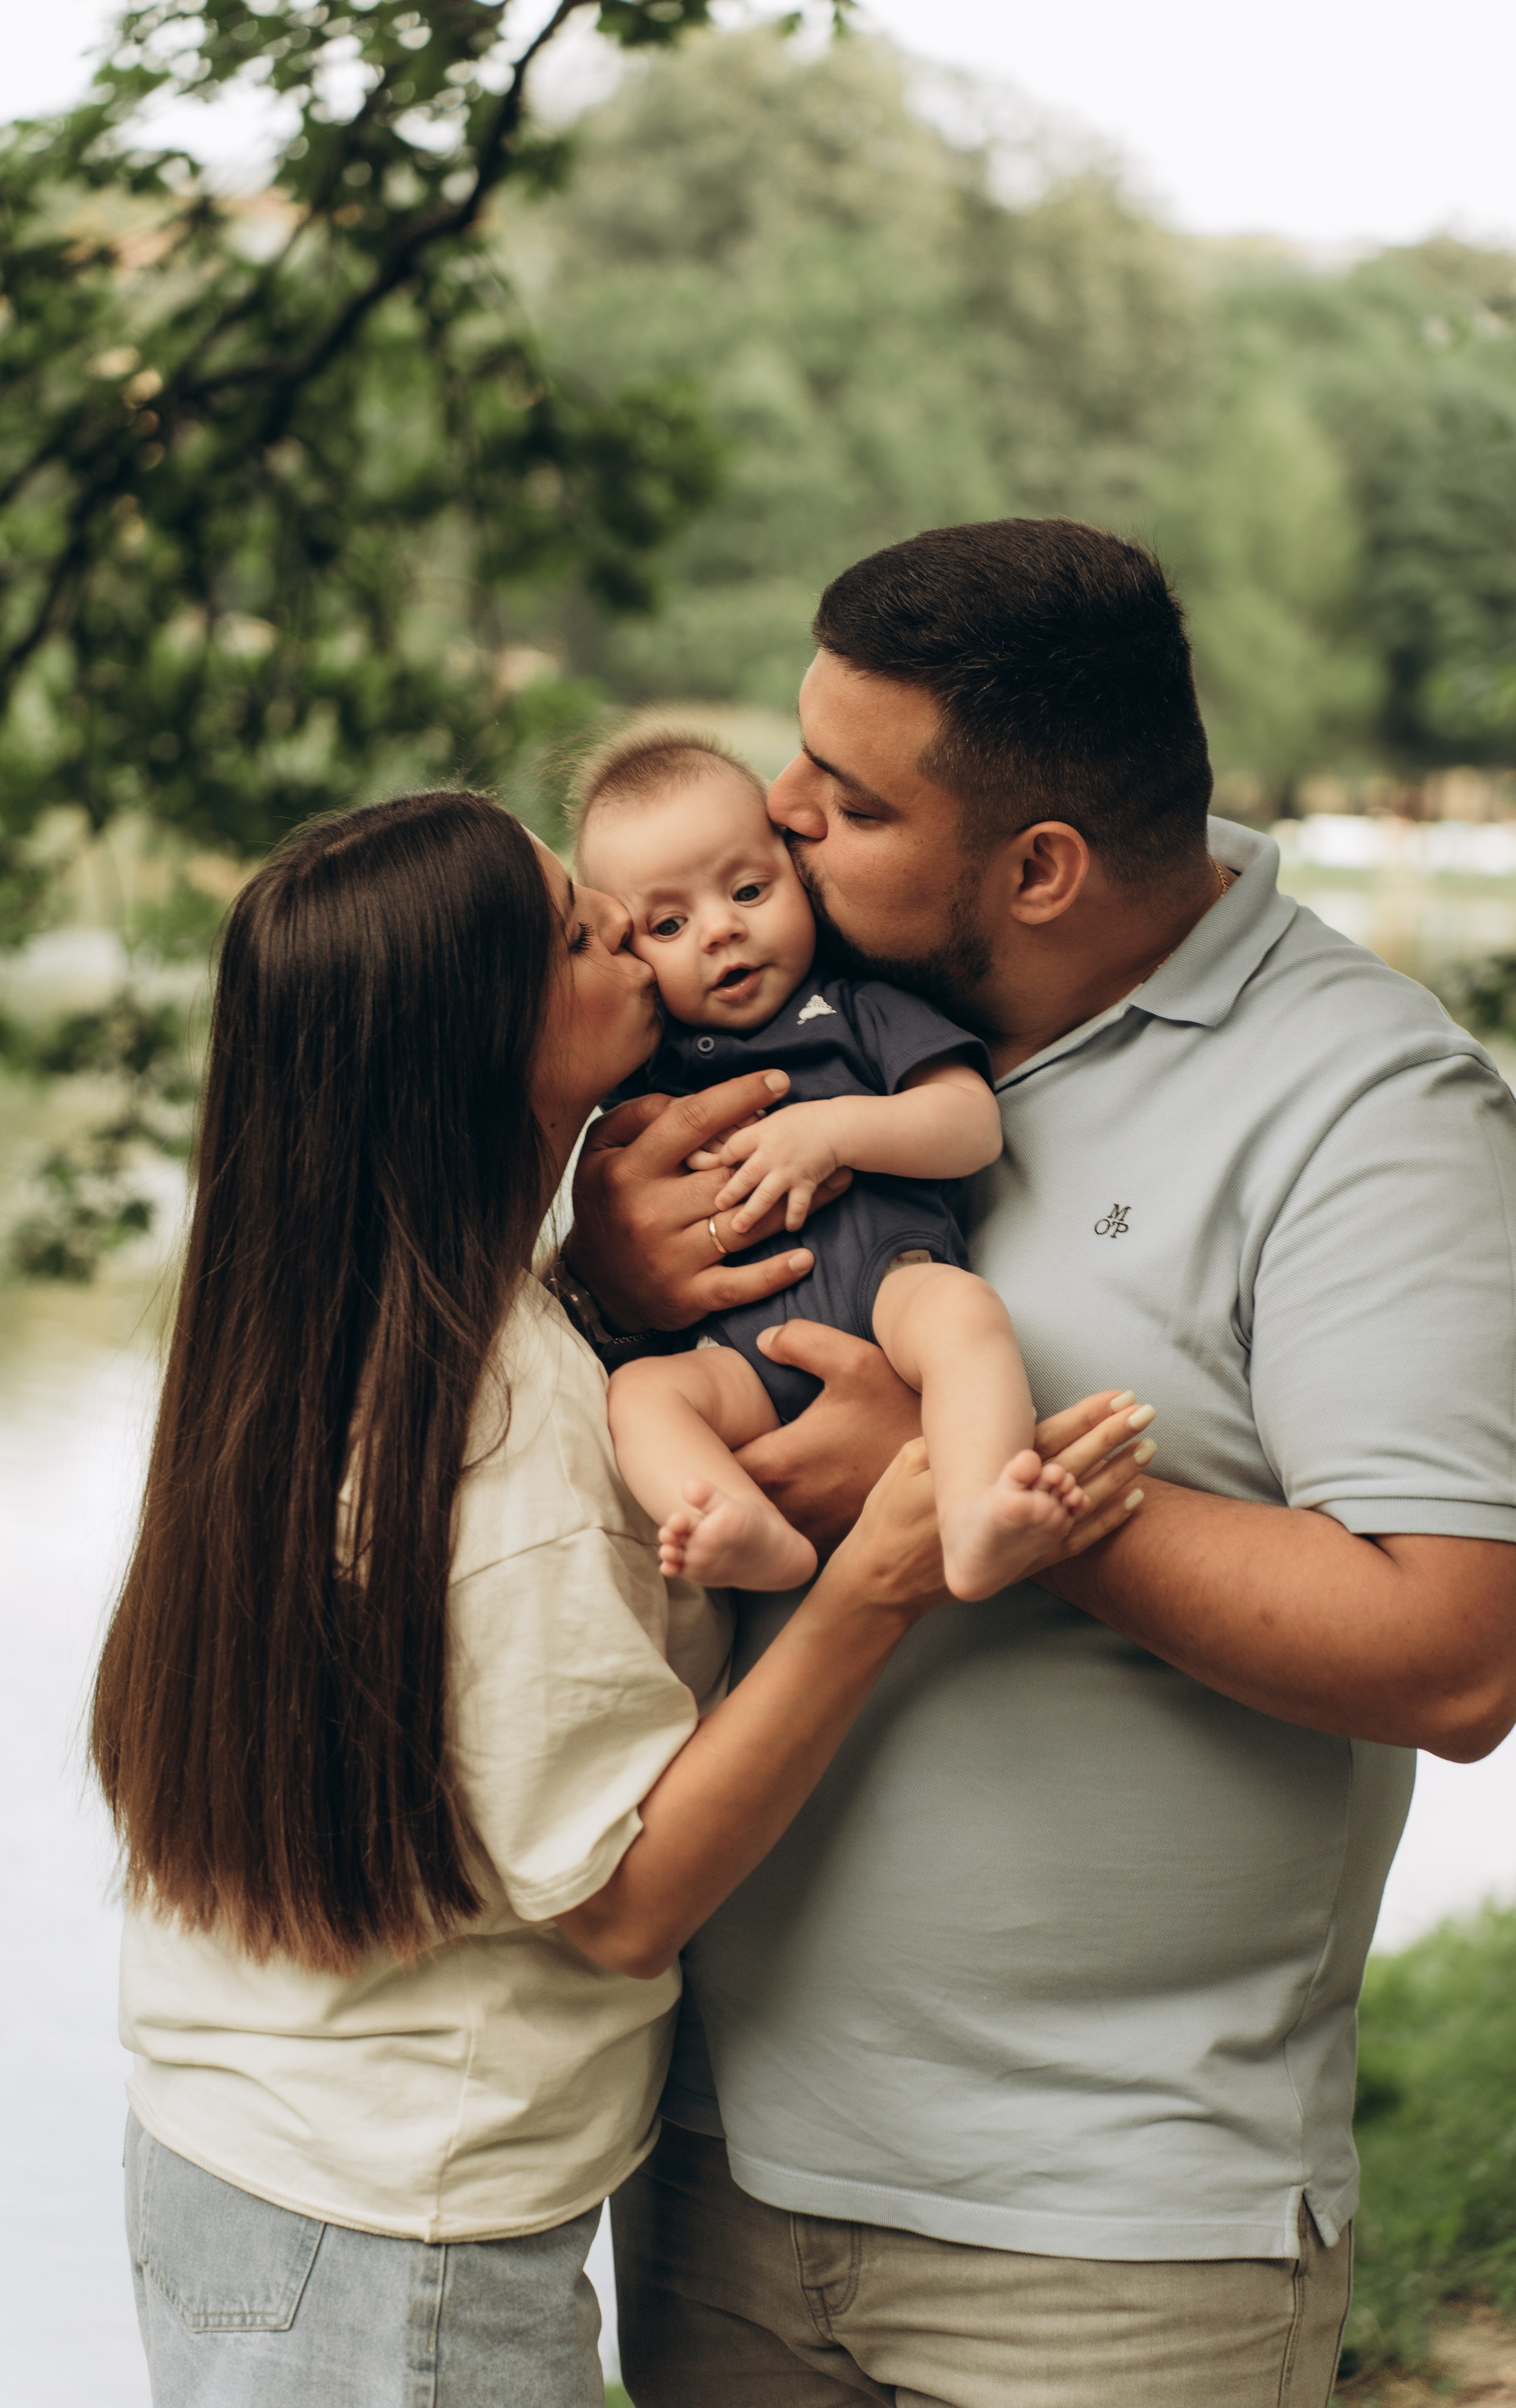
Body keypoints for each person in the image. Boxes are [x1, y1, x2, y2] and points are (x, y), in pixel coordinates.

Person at [557, 519, 1516, 2408]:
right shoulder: (780, 1021)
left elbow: (1460, 1657)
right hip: (709, 2171)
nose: (777, 812)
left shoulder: (1370, 1109)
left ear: (1040, 865)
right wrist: (603, 1280)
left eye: (840, 796)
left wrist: (967, 1491)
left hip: (1103, 2241)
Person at [89, 786, 1145, 2408]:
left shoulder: (304, 1314)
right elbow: (624, 1904)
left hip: (234, 2141)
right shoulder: (514, 1440)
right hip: (398, 2245)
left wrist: (594, 1278)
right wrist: (875, 1581)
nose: (643, 950)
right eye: (584, 933)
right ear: (486, 1040)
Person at [575, 727, 1092, 1598]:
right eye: (669, 923)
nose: (721, 931)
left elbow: (970, 1125)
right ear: (629, 947)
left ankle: (977, 1516)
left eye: (748, 889)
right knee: (643, 1398)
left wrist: (836, 1131)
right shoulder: (648, 1062)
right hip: (741, 1344)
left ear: (797, 875)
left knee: (966, 1319)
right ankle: (739, 1523)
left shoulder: (857, 1009)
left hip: (889, 1290)